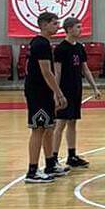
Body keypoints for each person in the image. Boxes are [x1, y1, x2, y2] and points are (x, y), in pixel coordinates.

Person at [52, 17, 101, 169]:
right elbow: (57, 72)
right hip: (64, 90)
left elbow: (85, 69)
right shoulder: (61, 49)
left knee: (72, 122)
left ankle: (72, 156)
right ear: (69, 29)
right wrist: (56, 92)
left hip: (76, 89)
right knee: (60, 123)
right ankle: (53, 158)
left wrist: (94, 87)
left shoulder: (79, 47)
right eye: (78, 27)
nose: (81, 29)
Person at [24, 12, 68, 183]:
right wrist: (59, 93)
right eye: (54, 23)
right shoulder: (41, 44)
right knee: (38, 129)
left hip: (44, 91)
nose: (58, 26)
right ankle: (32, 171)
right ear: (44, 24)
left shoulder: (42, 43)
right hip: (38, 92)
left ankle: (50, 164)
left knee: (49, 127)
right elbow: (46, 72)